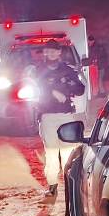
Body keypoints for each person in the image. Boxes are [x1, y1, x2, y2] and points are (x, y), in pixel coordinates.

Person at [35, 45, 85, 195]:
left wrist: (69, 85)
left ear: (59, 52)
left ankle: (71, 185)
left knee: (67, 151)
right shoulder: (38, 70)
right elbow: (37, 86)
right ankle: (52, 186)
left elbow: (80, 89)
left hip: (65, 115)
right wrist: (52, 91)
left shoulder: (68, 70)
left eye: (52, 50)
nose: (49, 53)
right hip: (47, 115)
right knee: (51, 151)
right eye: (47, 50)